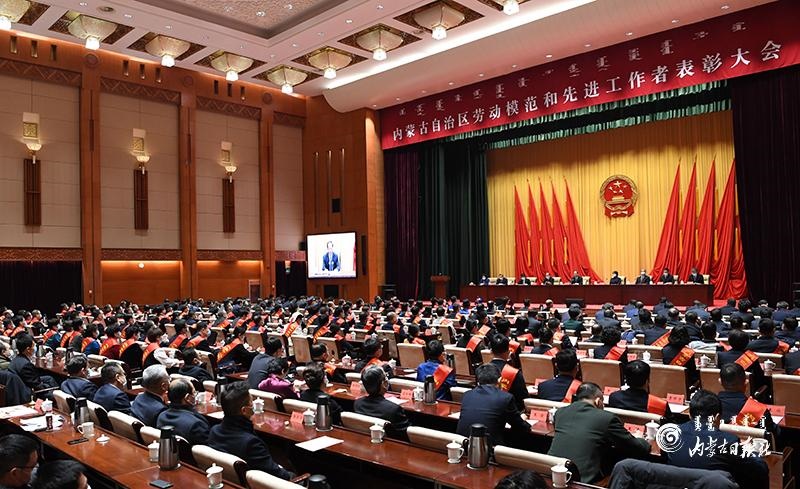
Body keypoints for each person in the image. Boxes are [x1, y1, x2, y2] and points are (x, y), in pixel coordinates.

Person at [548, 382, 650, 483]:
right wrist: (642, 439)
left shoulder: (560, 413)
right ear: (598, 401)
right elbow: (637, 447)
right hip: (582, 482)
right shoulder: (607, 418)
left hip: (551, 475)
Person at [666, 389, 768, 488]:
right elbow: (760, 469)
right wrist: (750, 449)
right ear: (717, 417)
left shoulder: (672, 435)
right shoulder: (728, 441)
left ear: (689, 414)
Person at [208, 381, 295, 480]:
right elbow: (279, 475)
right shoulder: (251, 443)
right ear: (244, 410)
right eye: (251, 402)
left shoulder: (214, 431)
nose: (253, 405)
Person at [456, 364, 531, 446]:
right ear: (500, 380)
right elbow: (520, 427)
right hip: (490, 448)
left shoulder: (467, 395)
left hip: (462, 445)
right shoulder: (505, 398)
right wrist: (523, 420)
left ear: (478, 381)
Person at [718, 363, 778, 433]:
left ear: (720, 382)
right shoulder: (758, 410)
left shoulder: (709, 407)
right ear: (746, 383)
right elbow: (773, 433)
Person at [354, 367, 409, 438]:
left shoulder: (357, 404)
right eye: (386, 376)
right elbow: (406, 433)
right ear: (384, 384)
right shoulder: (394, 409)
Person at [157, 378, 210, 445]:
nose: (195, 395)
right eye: (194, 393)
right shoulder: (196, 424)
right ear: (187, 398)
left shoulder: (161, 416)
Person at [717, 329, 766, 395]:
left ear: (729, 342)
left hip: (724, 390)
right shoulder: (750, 357)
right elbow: (760, 378)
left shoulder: (721, 355)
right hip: (746, 393)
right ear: (747, 343)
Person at [489, 334, 528, 409]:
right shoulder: (515, 373)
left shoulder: (481, 370)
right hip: (509, 412)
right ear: (508, 352)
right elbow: (523, 400)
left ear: (491, 351)